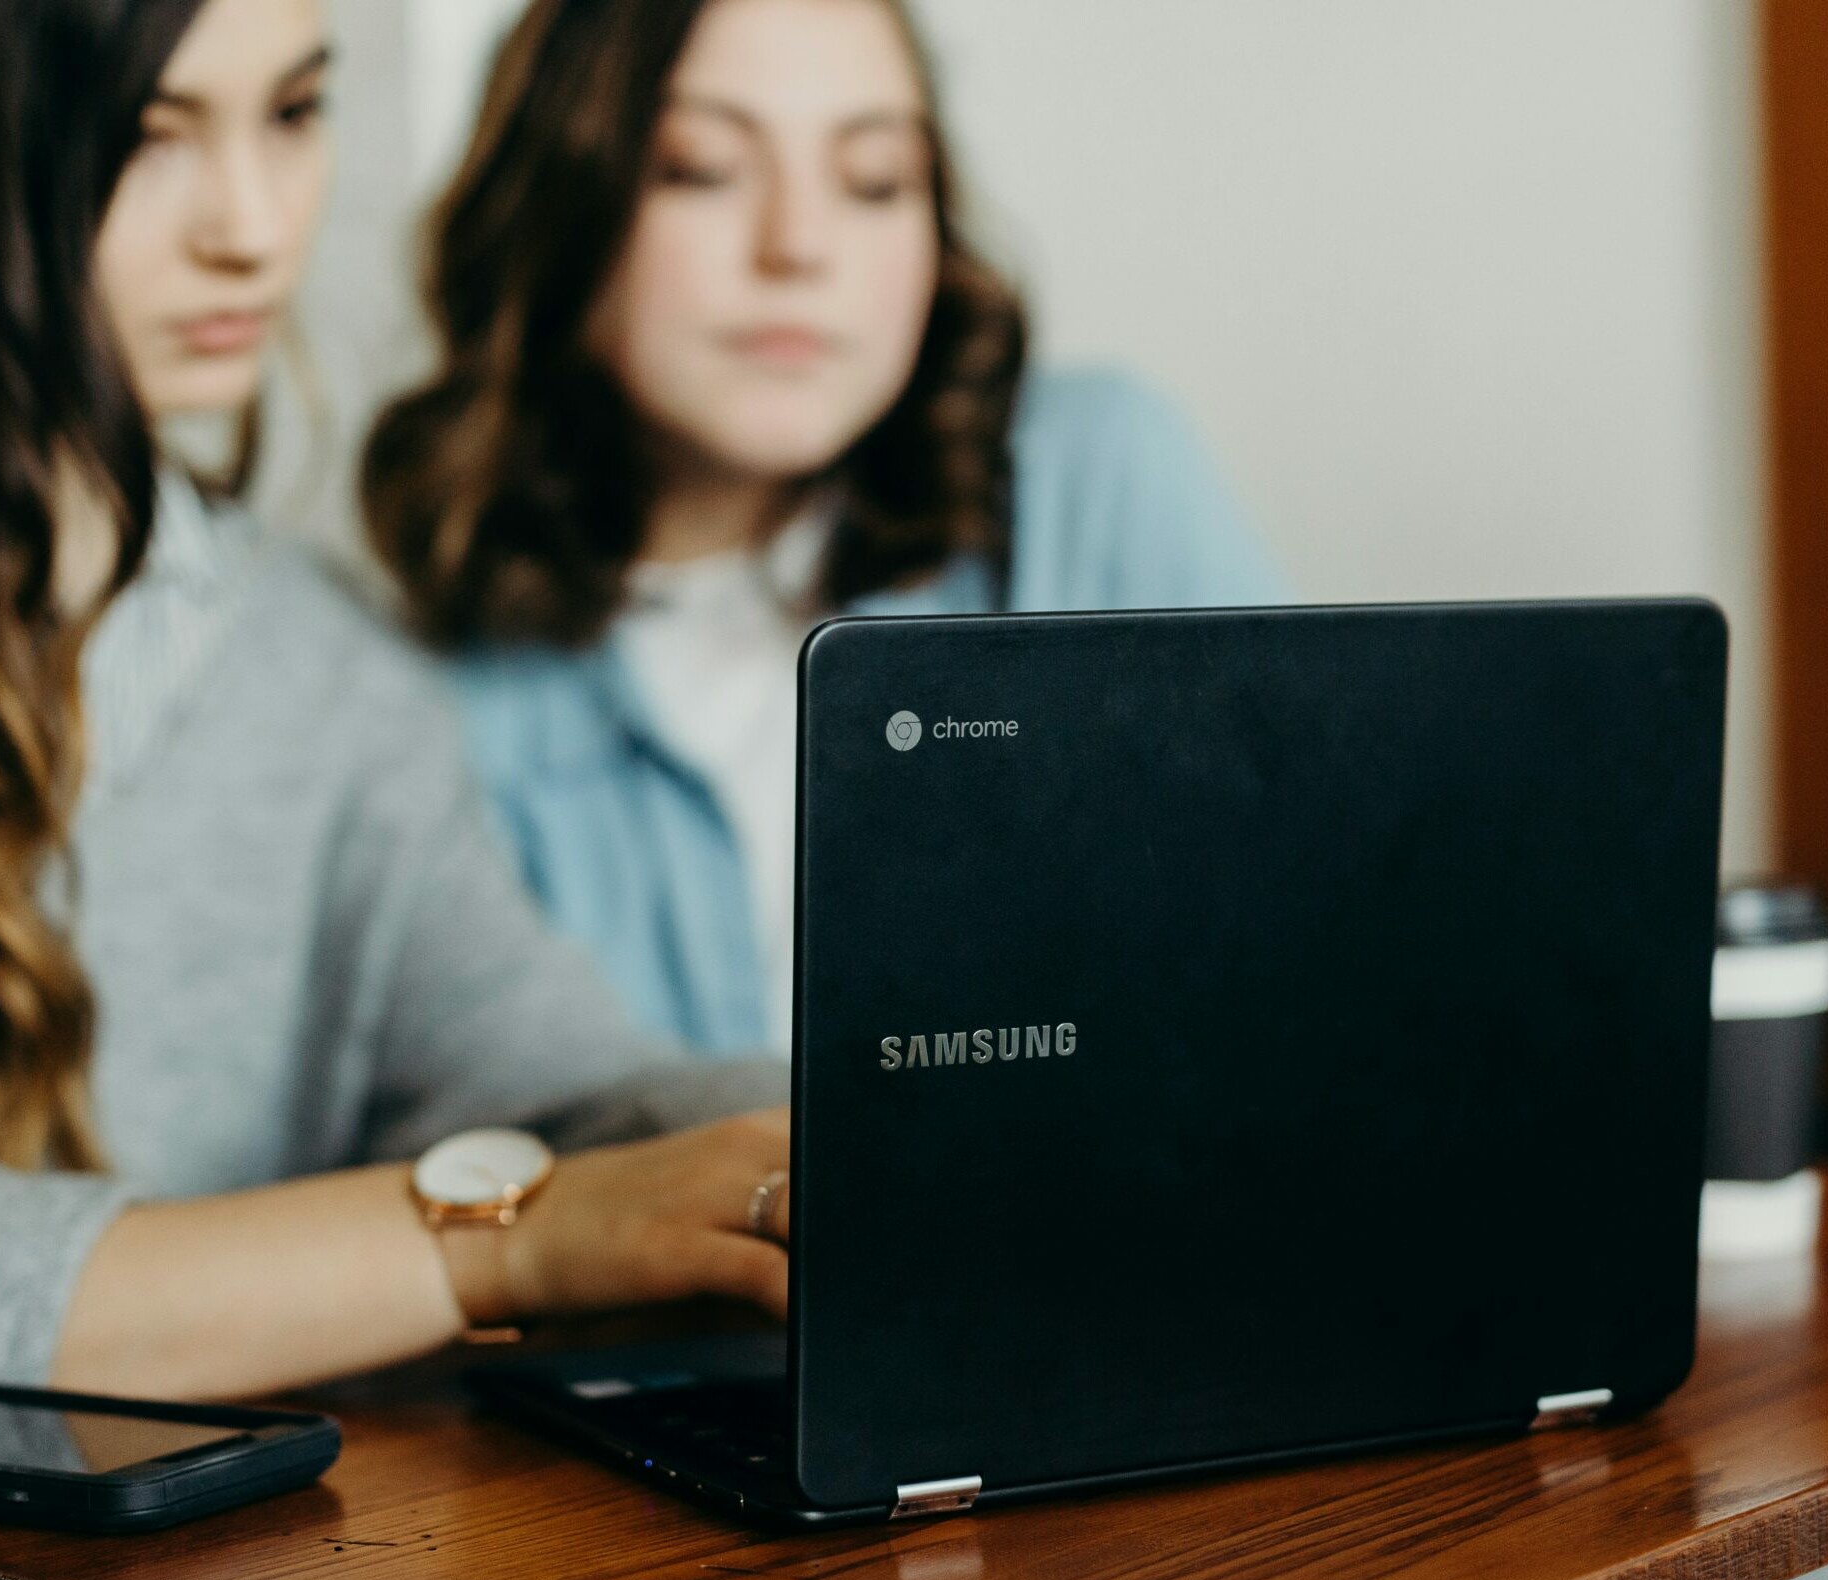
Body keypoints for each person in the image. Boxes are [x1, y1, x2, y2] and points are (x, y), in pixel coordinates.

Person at [0, 3, 794, 1580]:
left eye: (296, 110)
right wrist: (507, 1239)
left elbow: (564, 1092)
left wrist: (855, 1141)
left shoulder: (318, 663)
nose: (253, 219)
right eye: (155, 133)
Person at [362, 0, 1288, 1057]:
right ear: (552, 202)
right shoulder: (413, 695)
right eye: (700, 168)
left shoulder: (1092, 479)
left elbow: (1314, 956)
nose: (797, 247)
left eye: (874, 180)